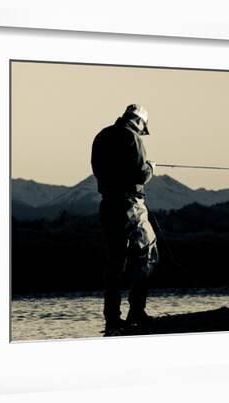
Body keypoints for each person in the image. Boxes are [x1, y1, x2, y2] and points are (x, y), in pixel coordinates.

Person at [91, 104, 159, 336]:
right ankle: (136, 311)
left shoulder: (101, 136)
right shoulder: (132, 137)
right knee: (148, 253)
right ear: (140, 122)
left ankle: (112, 319)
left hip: (107, 205)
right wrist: (151, 168)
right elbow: (140, 173)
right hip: (130, 205)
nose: (142, 133)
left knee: (115, 263)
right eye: (143, 129)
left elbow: (97, 170)